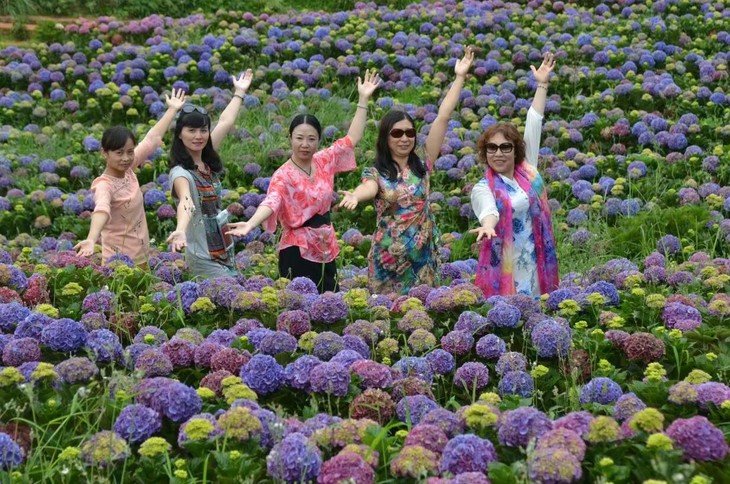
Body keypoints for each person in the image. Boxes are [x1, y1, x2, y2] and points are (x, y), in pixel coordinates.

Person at [225, 70, 381, 293]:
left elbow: (352, 139)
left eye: (311, 139)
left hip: (326, 244)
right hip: (297, 249)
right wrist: (250, 223)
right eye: (299, 138)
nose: (305, 144)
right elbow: (271, 202)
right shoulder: (283, 174)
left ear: (318, 141)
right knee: (298, 305)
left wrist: (363, 100)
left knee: (329, 302)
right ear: (289, 138)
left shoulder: (324, 160)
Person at [338, 47, 476, 295]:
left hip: (422, 260)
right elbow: (368, 188)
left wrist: (459, 77)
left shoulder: (423, 161)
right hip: (386, 261)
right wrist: (355, 196)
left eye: (409, 133)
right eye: (397, 133)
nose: (404, 138)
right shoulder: (377, 172)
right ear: (385, 138)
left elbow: (443, 117)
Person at [470, 52, 558, 297]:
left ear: (515, 150)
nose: (498, 153)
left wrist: (542, 84)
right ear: (485, 152)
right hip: (507, 267)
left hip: (538, 259)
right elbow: (488, 211)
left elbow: (534, 121)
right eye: (492, 148)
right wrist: (488, 226)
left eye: (505, 147)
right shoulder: (482, 187)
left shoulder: (527, 169)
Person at [75, 88, 187, 265]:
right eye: (119, 153)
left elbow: (152, 139)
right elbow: (101, 210)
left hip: (142, 257)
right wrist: (91, 238)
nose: (126, 158)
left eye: (129, 152)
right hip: (119, 265)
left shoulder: (128, 169)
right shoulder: (105, 185)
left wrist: (172, 109)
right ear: (104, 153)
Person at [166, 70, 254, 279]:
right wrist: (180, 229)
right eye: (191, 131)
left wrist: (239, 92)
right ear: (179, 134)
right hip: (202, 255)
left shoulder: (206, 161)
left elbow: (225, 122)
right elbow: (186, 201)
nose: (199, 136)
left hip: (223, 249)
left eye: (203, 130)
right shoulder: (180, 173)